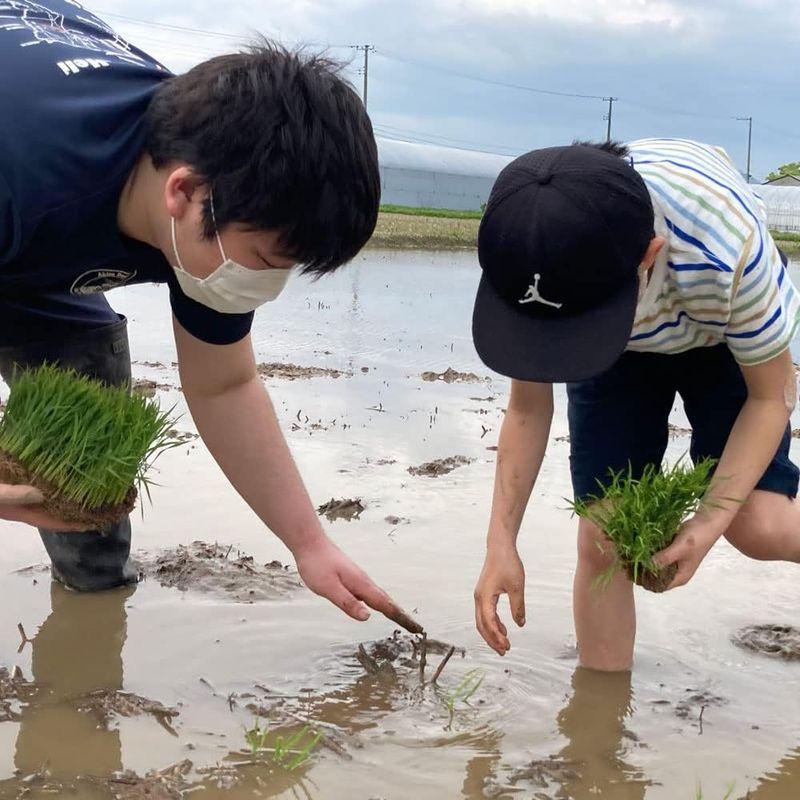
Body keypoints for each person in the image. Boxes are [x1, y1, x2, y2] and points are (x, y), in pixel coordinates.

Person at [0, 0, 406, 628]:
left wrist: (309, 543)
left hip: (41, 243)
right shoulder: (22, 172)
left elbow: (225, 384)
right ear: (183, 193)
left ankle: (91, 626)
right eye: (267, 257)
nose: (268, 283)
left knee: (83, 450)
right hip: (23, 174)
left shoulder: (216, 182)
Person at [471, 138, 800, 670]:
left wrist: (708, 523)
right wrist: (500, 543)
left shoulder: (727, 248)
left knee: (758, 525)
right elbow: (528, 408)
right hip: (609, 337)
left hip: (720, 333)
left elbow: (772, 396)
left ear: (649, 255)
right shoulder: (530, 242)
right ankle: (598, 730)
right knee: (604, 534)